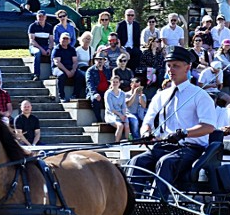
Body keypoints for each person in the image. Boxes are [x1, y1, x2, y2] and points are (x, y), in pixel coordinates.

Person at [130, 45, 216, 199]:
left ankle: (157, 205)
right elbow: (148, 121)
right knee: (137, 161)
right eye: (169, 66)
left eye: (176, 66)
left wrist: (184, 133)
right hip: (165, 146)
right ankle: (130, 206)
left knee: (166, 162)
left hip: (190, 149)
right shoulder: (161, 96)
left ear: (187, 67)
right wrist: (146, 133)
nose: (171, 69)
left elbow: (208, 126)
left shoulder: (199, 95)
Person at [51, 32, 83, 103]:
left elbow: (75, 61)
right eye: (63, 38)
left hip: (70, 68)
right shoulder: (57, 49)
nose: (65, 40)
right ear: (60, 39)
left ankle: (75, 95)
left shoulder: (72, 49)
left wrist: (73, 70)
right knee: (61, 75)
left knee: (80, 76)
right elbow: (57, 62)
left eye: (67, 38)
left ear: (70, 40)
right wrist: (67, 71)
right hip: (58, 68)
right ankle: (61, 97)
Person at [104, 74, 133, 143]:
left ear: (119, 83)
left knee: (127, 125)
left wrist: (124, 114)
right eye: (113, 82)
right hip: (111, 114)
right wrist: (120, 115)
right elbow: (110, 108)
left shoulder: (122, 93)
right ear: (111, 82)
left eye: (116, 82)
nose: (115, 83)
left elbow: (123, 106)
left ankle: (128, 142)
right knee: (120, 125)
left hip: (121, 114)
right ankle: (116, 142)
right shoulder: (108, 93)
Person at [28, 10, 53, 80]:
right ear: (37, 17)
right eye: (39, 16)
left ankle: (53, 73)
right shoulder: (32, 26)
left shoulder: (49, 27)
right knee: (38, 53)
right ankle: (36, 75)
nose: (41, 18)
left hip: (45, 46)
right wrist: (41, 50)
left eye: (42, 16)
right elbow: (32, 40)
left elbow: (51, 40)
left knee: (54, 53)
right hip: (34, 46)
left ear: (45, 17)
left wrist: (49, 49)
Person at [85, 54, 110, 123]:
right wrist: (95, 93)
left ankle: (110, 119)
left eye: (101, 59)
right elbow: (89, 83)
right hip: (95, 91)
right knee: (95, 100)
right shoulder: (90, 71)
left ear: (104, 61)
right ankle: (99, 120)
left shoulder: (107, 70)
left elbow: (110, 81)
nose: (99, 61)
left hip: (106, 92)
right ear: (94, 61)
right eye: (97, 59)